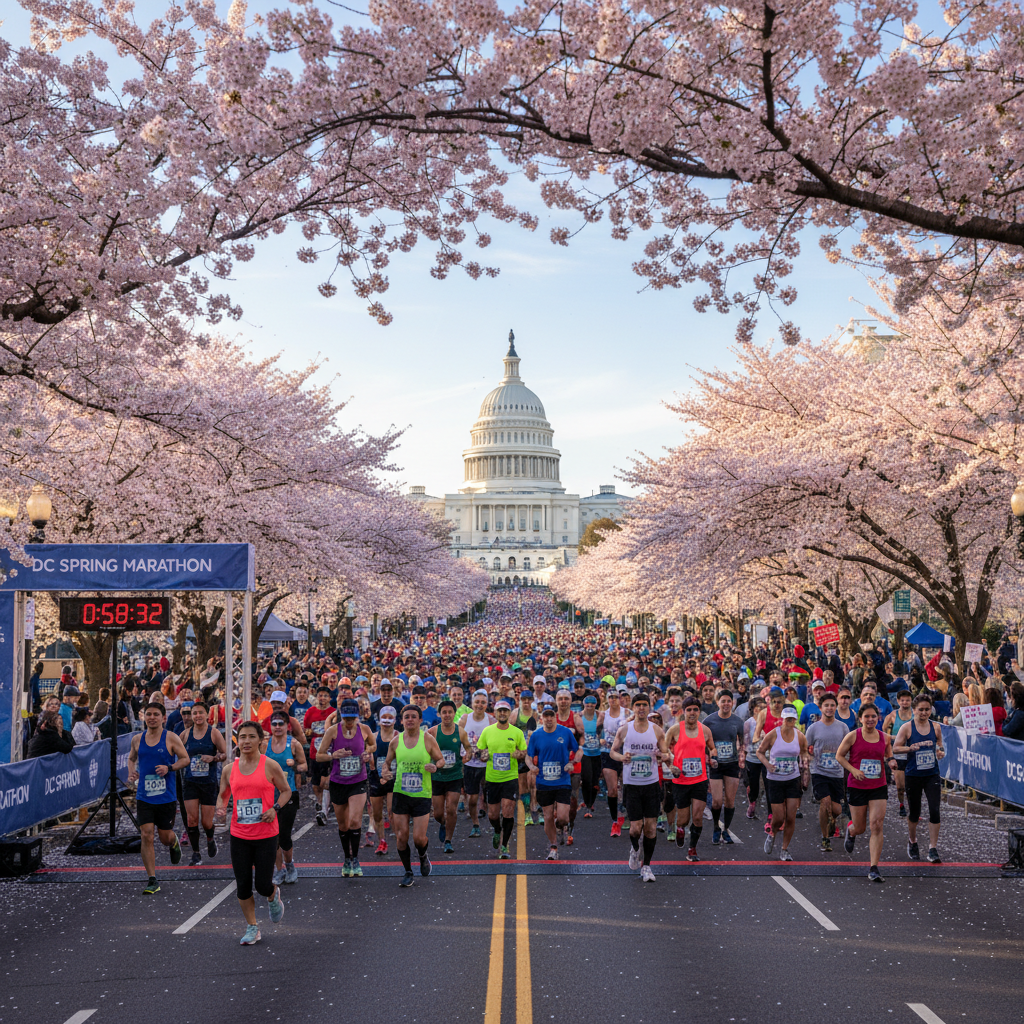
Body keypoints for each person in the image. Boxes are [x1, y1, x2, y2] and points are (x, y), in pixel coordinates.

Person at [214, 721, 291, 944]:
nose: (246, 741)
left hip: (266, 834)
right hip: (239, 834)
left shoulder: (270, 766)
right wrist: (220, 809)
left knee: (262, 885)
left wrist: (274, 809)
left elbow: (286, 792)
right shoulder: (230, 769)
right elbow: (223, 794)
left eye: (251, 737)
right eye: (242, 737)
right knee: (243, 884)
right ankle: (252, 927)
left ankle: (273, 894)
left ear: (260, 740)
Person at [126, 703, 190, 894]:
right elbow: (131, 758)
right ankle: (152, 879)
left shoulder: (170, 737)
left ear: (163, 717)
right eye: (148, 714)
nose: (152, 717)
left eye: (156, 714)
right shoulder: (137, 739)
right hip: (144, 795)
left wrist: (168, 768)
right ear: (144, 717)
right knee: (146, 834)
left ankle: (173, 841)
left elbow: (185, 758)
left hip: (166, 796)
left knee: (164, 837)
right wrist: (132, 772)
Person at [381, 703, 447, 886]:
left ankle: (423, 856)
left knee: (419, 838)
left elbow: (440, 759)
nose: (410, 719)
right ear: (401, 721)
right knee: (402, 836)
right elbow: (386, 763)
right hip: (401, 793)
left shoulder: (427, 740)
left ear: (420, 720)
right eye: (406, 717)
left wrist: (435, 766)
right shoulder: (395, 741)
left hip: (422, 794)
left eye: (413, 716)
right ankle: (408, 871)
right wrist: (385, 772)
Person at [610, 692, 669, 880]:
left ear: (648, 708)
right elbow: (613, 752)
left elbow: (666, 754)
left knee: (651, 828)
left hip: (651, 784)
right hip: (632, 785)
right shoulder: (625, 730)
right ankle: (635, 849)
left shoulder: (657, 730)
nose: (641, 708)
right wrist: (622, 757)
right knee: (636, 828)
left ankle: (647, 866)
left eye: (644, 705)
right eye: (638, 705)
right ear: (633, 708)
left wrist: (663, 756)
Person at [836, 703, 898, 882]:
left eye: (874, 716)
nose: (870, 720)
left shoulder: (883, 737)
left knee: (877, 824)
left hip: (878, 785)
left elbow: (888, 754)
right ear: (861, 718)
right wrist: (853, 770)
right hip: (857, 785)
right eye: (867, 716)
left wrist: (891, 761)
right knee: (861, 827)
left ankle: (874, 867)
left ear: (878, 718)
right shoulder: (852, 736)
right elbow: (839, 756)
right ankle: (851, 831)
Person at [316, 698, 376, 877]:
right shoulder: (332, 731)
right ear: (341, 716)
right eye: (346, 718)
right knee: (343, 825)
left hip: (358, 781)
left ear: (357, 716)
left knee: (355, 822)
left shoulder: (364, 729)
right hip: (338, 782)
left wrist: (367, 752)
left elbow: (373, 744)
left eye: (352, 719)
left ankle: (355, 858)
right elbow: (319, 756)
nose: (349, 722)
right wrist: (333, 755)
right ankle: (347, 858)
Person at [893, 693, 945, 864]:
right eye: (920, 710)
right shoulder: (907, 728)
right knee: (914, 812)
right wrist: (909, 748)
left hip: (932, 774)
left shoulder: (936, 727)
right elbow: (896, 748)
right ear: (914, 710)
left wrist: (940, 751)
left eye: (927, 710)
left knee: (935, 810)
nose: (924, 713)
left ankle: (933, 848)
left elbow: (940, 745)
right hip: (913, 774)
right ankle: (913, 841)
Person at [664, 696, 716, 863]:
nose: (692, 713)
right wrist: (671, 766)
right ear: (684, 712)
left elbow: (712, 748)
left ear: (699, 712)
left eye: (695, 710)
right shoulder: (674, 730)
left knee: (698, 817)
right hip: (681, 781)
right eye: (689, 710)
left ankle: (692, 848)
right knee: (684, 819)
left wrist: (713, 758)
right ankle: (680, 829)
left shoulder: (705, 730)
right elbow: (663, 751)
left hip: (700, 779)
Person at [526, 701, 579, 859]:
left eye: (551, 716)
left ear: (555, 717)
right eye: (546, 716)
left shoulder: (565, 733)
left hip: (562, 781)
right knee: (548, 816)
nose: (549, 719)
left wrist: (572, 763)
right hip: (544, 782)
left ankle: (562, 826)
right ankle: (553, 847)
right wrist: (531, 767)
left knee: (562, 817)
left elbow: (578, 751)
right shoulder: (536, 735)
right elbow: (529, 757)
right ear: (541, 718)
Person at [476, 699, 528, 859]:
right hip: (492, 779)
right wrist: (483, 755)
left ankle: (504, 846)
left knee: (507, 811)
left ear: (509, 712)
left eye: (506, 711)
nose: (503, 713)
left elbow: (523, 752)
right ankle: (497, 830)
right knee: (492, 815)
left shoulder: (516, 732)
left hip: (510, 778)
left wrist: (519, 754)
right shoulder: (487, 731)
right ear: (496, 713)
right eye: (500, 711)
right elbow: (481, 750)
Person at [757, 704, 808, 862]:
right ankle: (772, 834)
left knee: (791, 817)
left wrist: (805, 762)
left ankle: (784, 849)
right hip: (775, 780)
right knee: (778, 818)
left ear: (795, 720)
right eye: (787, 719)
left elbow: (804, 751)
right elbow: (760, 752)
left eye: (792, 719)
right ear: (782, 719)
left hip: (793, 779)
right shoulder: (773, 734)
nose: (789, 722)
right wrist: (767, 765)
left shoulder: (799, 736)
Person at [262, 712, 308, 883]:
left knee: (284, 834)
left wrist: (295, 765)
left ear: (287, 726)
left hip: (289, 793)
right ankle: (278, 869)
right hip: (269, 795)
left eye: (281, 724)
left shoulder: (294, 744)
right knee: (271, 835)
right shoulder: (264, 744)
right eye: (274, 724)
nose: (278, 727)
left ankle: (290, 865)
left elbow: (304, 765)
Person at [181, 700, 227, 866]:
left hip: (208, 782)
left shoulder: (213, 733)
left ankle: (209, 837)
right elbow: (175, 750)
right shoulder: (186, 734)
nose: (198, 716)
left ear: (207, 715)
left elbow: (224, 754)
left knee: (206, 822)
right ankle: (196, 853)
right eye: (195, 713)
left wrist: (214, 758)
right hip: (190, 782)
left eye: (201, 712)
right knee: (192, 819)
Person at [805, 693, 848, 852]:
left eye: (832, 705)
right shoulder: (813, 728)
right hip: (819, 771)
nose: (829, 708)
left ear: (836, 707)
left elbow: (847, 748)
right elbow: (806, 748)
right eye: (826, 705)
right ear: (820, 708)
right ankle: (825, 838)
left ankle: (833, 820)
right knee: (825, 802)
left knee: (836, 809)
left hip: (836, 772)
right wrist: (808, 761)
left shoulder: (843, 727)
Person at [704, 690, 745, 844]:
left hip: (732, 764)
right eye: (723, 701)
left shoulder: (738, 722)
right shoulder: (709, 721)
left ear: (732, 703)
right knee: (716, 801)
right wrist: (709, 757)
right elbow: (704, 743)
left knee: (730, 801)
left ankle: (726, 829)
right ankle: (716, 827)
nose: (726, 704)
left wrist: (741, 757)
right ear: (718, 702)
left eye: (729, 701)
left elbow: (742, 741)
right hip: (715, 765)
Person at [429, 699, 469, 853]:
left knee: (451, 808)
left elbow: (468, 748)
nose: (447, 715)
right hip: (437, 777)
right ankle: (444, 823)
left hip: (454, 775)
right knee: (438, 813)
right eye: (444, 712)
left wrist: (468, 756)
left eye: (450, 712)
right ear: (440, 714)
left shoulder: (460, 732)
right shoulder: (432, 732)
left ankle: (448, 840)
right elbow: (425, 750)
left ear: (454, 714)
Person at [461, 689, 494, 837]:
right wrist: (462, 753)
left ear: (487, 704)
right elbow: (455, 736)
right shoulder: (465, 719)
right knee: (472, 798)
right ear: (472, 703)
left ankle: (491, 815)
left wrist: (489, 752)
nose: (479, 705)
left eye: (483, 702)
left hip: (487, 765)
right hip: (470, 764)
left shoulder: (491, 720)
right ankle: (476, 824)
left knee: (490, 794)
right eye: (477, 702)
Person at [304, 686, 336, 826]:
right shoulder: (310, 712)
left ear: (329, 698)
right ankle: (320, 802)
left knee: (325, 782)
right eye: (320, 695)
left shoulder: (333, 713)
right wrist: (308, 733)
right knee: (316, 784)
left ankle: (324, 810)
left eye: (325, 696)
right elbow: (306, 730)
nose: (322, 698)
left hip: (329, 752)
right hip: (314, 751)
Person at [601, 687, 629, 836]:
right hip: (608, 752)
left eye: (615, 697)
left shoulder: (627, 713)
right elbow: (594, 729)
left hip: (625, 752)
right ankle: (614, 821)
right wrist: (599, 738)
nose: (613, 700)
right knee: (612, 790)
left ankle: (625, 810)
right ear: (607, 699)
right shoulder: (603, 714)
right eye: (610, 697)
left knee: (626, 787)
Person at [883, 689, 914, 817]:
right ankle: (902, 804)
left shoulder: (915, 714)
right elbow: (884, 734)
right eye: (902, 700)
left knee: (913, 785)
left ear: (911, 701)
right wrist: (896, 739)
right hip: (898, 754)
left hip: (912, 754)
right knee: (900, 786)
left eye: (907, 700)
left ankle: (913, 807)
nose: (905, 703)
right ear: (898, 701)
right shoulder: (892, 716)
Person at [576, 694, 603, 817]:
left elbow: (603, 731)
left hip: (597, 752)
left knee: (594, 780)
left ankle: (591, 802)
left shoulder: (600, 716)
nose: (590, 706)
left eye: (593, 703)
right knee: (586, 779)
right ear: (584, 704)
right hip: (585, 752)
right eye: (588, 703)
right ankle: (587, 804)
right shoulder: (579, 717)